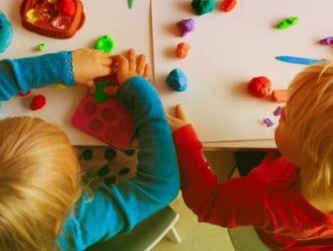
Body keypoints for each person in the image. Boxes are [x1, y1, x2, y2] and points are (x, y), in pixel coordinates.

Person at [0, 48, 180, 251]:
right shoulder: (70, 230)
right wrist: (142, 94)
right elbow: (160, 186)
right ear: (60, 220)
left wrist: (64, 67)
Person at [167, 61, 333, 250]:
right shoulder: (322, 170)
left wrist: (184, 138)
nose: (282, 111)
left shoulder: (266, 200)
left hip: (282, 235)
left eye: (286, 118)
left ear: (312, 157)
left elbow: (208, 202)